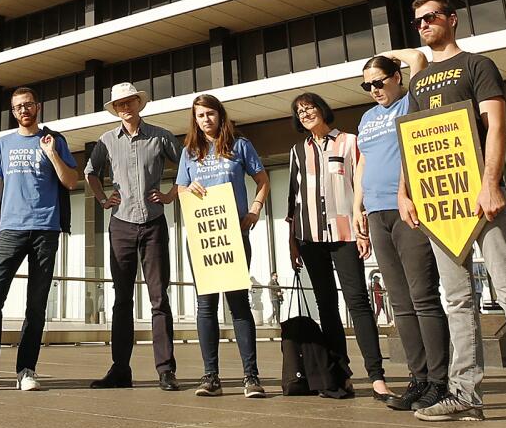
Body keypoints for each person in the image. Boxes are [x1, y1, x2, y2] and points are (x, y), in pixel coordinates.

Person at [398, 0, 506, 428]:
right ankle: (465, 395)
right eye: (418, 21)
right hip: (439, 202)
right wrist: (404, 193)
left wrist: (490, 183)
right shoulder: (417, 82)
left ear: (452, 20)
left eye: (432, 17)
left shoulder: (477, 65)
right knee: (456, 300)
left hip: (479, 197)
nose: (425, 24)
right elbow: (413, 140)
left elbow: (496, 125)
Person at [0, 86, 82, 393]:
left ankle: (27, 370)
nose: (24, 110)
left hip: (45, 229)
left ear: (38, 106)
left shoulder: (55, 141)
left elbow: (71, 181)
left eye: (28, 105)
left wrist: (51, 153)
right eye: (18, 107)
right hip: (9, 230)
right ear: (13, 112)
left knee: (36, 304)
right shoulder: (3, 144)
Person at [356, 49, 448, 414]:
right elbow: (363, 163)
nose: (374, 89)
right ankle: (419, 378)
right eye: (367, 85)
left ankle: (440, 382)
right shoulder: (367, 118)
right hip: (376, 211)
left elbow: (419, 58)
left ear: (397, 77)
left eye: (379, 81)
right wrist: (356, 207)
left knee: (422, 294)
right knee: (399, 302)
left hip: (409, 208)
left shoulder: (412, 99)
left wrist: (387, 55)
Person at [285, 92, 388, 400]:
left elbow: (361, 187)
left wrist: (364, 230)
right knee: (327, 306)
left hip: (345, 234)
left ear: (323, 109)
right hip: (310, 237)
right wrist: (292, 242)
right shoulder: (296, 151)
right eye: (299, 111)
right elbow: (293, 200)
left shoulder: (349, 141)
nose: (305, 114)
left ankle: (377, 375)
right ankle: (341, 375)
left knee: (357, 301)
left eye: (310, 108)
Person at [84, 81, 181, 391]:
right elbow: (90, 172)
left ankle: (165, 369)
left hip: (153, 224)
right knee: (122, 300)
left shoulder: (161, 136)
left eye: (129, 101)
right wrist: (102, 200)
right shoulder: (106, 140)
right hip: (121, 226)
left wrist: (169, 196)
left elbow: (188, 165)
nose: (125, 107)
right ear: (115, 109)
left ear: (139, 103)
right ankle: (120, 369)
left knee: (159, 298)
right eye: (119, 104)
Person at [177, 93, 272, 399]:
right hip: (204, 236)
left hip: (234, 233)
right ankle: (211, 376)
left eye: (210, 113)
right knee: (206, 306)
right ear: (195, 119)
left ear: (220, 115)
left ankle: (250, 376)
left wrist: (255, 209)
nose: (206, 119)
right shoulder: (190, 152)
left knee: (239, 304)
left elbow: (263, 180)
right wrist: (187, 188)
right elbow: (180, 188)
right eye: (200, 115)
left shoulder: (240, 146)